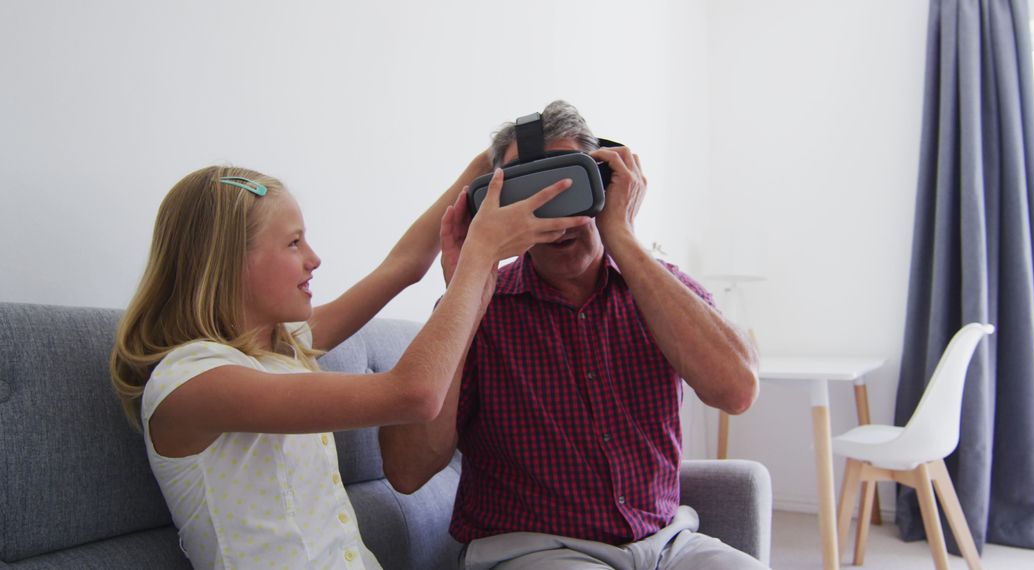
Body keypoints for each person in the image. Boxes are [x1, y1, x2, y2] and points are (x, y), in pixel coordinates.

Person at [109, 160, 589, 569]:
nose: (314, 259)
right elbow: (415, 394)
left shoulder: (282, 349)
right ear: (228, 259)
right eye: (294, 243)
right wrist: (480, 258)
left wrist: (487, 166)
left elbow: (402, 266)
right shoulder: (192, 381)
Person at [379, 100, 768, 569]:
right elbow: (406, 470)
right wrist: (466, 286)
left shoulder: (658, 291)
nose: (555, 216)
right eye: (530, 196)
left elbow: (737, 390)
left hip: (666, 543)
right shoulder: (480, 308)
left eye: (569, 188)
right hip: (534, 547)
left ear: (604, 186)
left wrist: (621, 235)